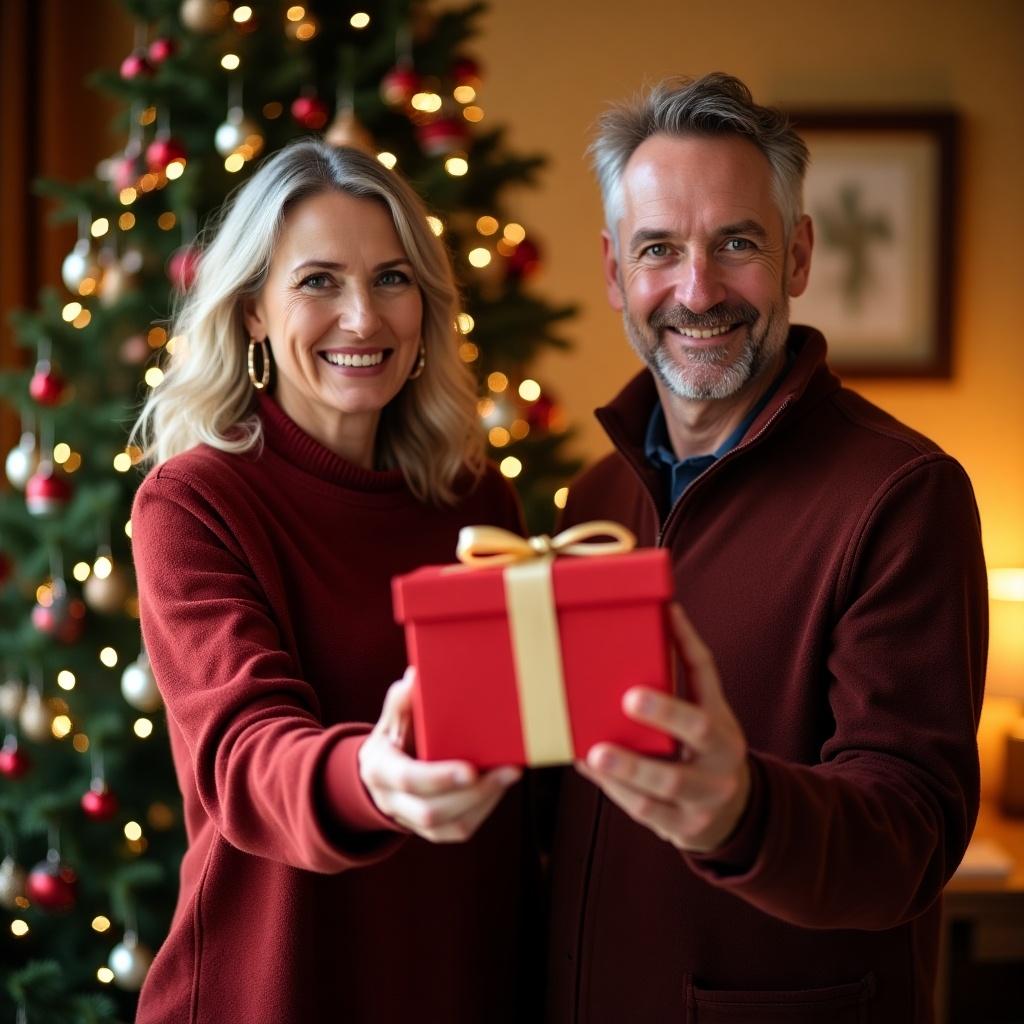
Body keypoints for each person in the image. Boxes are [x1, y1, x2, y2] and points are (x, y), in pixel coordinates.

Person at [545, 73, 987, 1023]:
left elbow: (914, 827)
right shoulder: (592, 499)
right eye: (660, 249)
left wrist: (741, 809)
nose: (697, 291)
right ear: (617, 272)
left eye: (735, 244)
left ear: (797, 255)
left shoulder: (904, 496)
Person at [129, 140, 536, 1023]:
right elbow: (242, 751)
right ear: (251, 314)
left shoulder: (478, 502)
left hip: (457, 979)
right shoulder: (193, 503)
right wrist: (372, 778)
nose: (363, 318)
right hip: (271, 989)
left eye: (392, 280)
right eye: (318, 281)